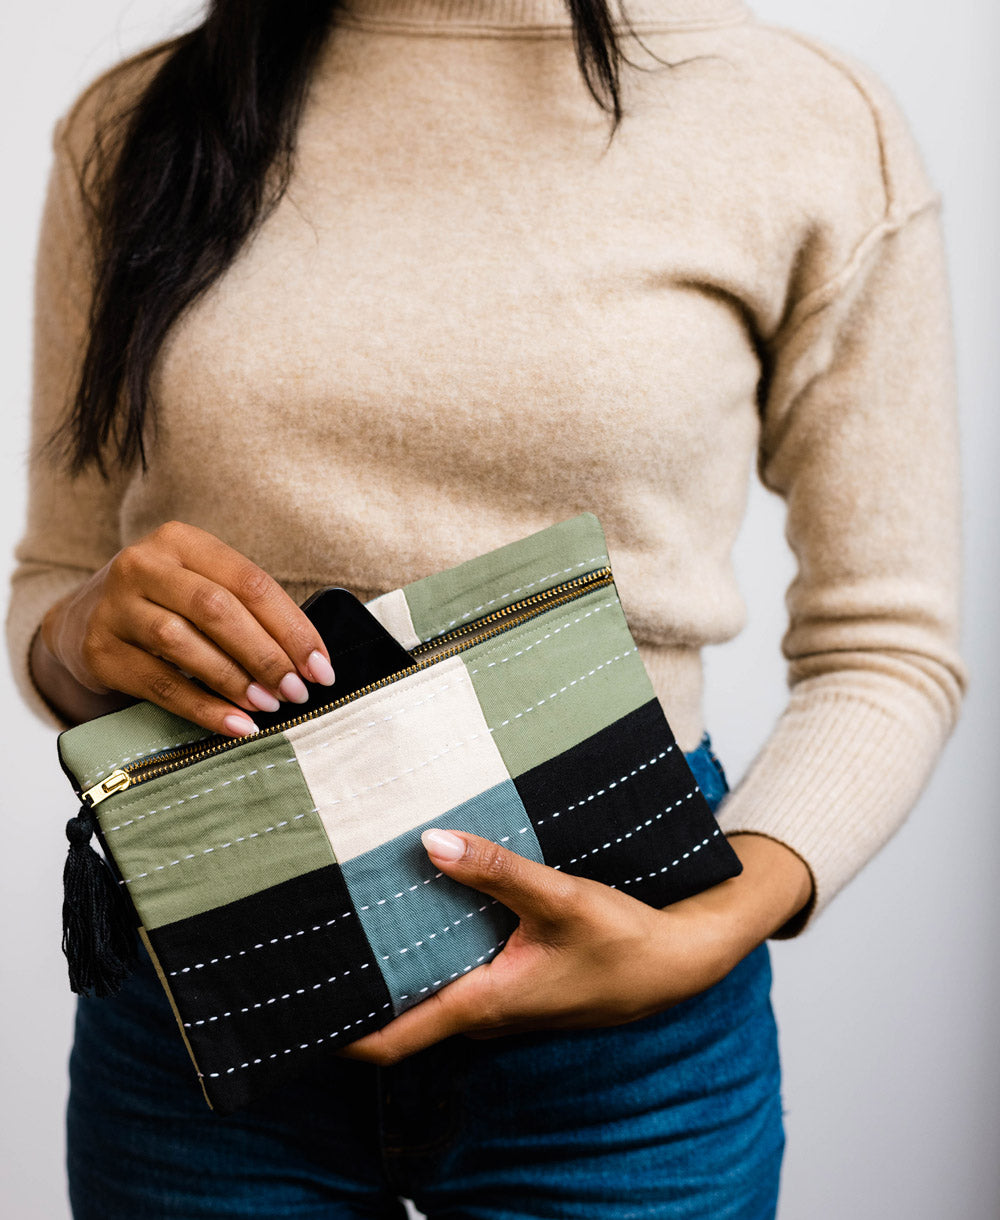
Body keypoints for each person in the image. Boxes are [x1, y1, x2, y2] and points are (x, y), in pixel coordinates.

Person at [7, 1, 965, 1216]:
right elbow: (58, 581)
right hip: (217, 973)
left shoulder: (801, 120)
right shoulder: (140, 116)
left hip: (626, 1006)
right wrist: (80, 634)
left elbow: (885, 642)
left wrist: (713, 927)